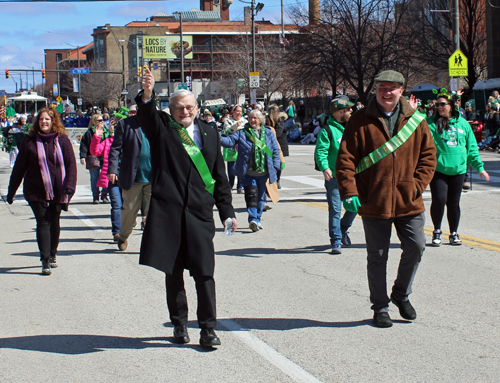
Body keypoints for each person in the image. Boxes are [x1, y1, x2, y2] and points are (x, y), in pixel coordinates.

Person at [136, 70, 237, 347]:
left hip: (199, 215)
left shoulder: (210, 133)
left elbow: (219, 177)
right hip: (169, 215)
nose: (185, 111)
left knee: (205, 273)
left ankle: (208, 329)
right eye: (179, 108)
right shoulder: (163, 130)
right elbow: (146, 116)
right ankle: (179, 325)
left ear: (197, 108)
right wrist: (147, 93)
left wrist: (227, 212)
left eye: (189, 107)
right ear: (171, 110)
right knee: (174, 273)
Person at [336, 70, 437, 328]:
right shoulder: (359, 119)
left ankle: (401, 294)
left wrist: (416, 185)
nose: (386, 92)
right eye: (382, 87)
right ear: (376, 90)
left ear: (401, 91)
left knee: (416, 246)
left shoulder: (416, 120)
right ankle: (380, 307)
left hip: (408, 200)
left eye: (392, 88)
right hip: (374, 200)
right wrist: (349, 191)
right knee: (378, 255)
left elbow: (428, 156)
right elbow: (345, 159)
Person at [7, 107, 77, 275]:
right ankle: (45, 260)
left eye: (47, 119)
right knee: (43, 222)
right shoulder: (29, 142)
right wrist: (11, 192)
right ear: (37, 122)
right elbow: (19, 169)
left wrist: (69, 186)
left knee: (54, 222)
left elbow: (71, 166)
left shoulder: (63, 141)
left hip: (58, 189)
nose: (44, 122)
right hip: (35, 190)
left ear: (54, 122)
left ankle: (53, 254)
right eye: (41, 119)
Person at [427, 91, 490, 247]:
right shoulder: (430, 123)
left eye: (443, 104)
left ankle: (453, 233)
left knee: (454, 203)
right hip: (438, 169)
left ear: (451, 105)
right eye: (437, 105)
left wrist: (479, 168)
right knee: (439, 200)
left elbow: (472, 148)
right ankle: (436, 231)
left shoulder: (463, 124)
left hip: (458, 170)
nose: (439, 107)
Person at [221, 109, 280, 232]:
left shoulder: (268, 133)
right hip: (247, 172)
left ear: (260, 120)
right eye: (251, 118)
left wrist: (276, 166)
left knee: (260, 197)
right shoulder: (242, 133)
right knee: (251, 195)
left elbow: (275, 150)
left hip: (264, 172)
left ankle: (257, 219)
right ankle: (253, 219)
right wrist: (217, 137)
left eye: (255, 118)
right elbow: (229, 141)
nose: (253, 120)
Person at [315, 99, 358, 254]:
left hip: (352, 176)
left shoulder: (353, 127)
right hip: (334, 177)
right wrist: (325, 168)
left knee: (355, 206)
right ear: (341, 112)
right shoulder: (327, 130)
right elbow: (321, 151)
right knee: (335, 209)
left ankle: (343, 228)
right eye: (348, 109)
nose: (351, 111)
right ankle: (336, 240)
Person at [108, 104, 152, 251]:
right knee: (129, 210)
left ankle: (153, 241)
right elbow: (115, 149)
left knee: (154, 211)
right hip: (133, 177)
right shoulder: (125, 124)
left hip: (153, 177)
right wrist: (113, 169)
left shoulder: (156, 124)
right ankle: (123, 236)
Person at [90, 117, 122, 242]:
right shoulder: (108, 141)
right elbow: (95, 151)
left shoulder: (127, 141)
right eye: (113, 127)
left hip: (127, 178)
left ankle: (125, 228)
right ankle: (117, 232)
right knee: (116, 204)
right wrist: (97, 137)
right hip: (112, 179)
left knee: (127, 206)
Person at [80, 114, 110, 204]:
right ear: (94, 122)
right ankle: (95, 196)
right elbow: (84, 145)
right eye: (99, 120)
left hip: (105, 157)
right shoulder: (89, 132)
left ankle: (105, 195)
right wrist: (83, 156)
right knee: (94, 177)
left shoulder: (107, 132)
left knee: (106, 176)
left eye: (102, 120)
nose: (102, 122)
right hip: (93, 157)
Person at [223, 105, 245, 193]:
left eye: (240, 111)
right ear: (233, 111)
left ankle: (240, 186)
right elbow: (227, 131)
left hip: (242, 147)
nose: (239, 113)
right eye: (237, 111)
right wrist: (235, 126)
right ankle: (230, 185)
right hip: (231, 148)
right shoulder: (228, 121)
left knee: (241, 168)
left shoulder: (244, 121)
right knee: (232, 169)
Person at [265, 104, 289, 189]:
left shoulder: (280, 120)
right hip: (269, 143)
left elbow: (278, 133)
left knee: (278, 163)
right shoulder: (266, 119)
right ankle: (271, 179)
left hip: (279, 143)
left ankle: (277, 180)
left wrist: (269, 133)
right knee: (269, 161)